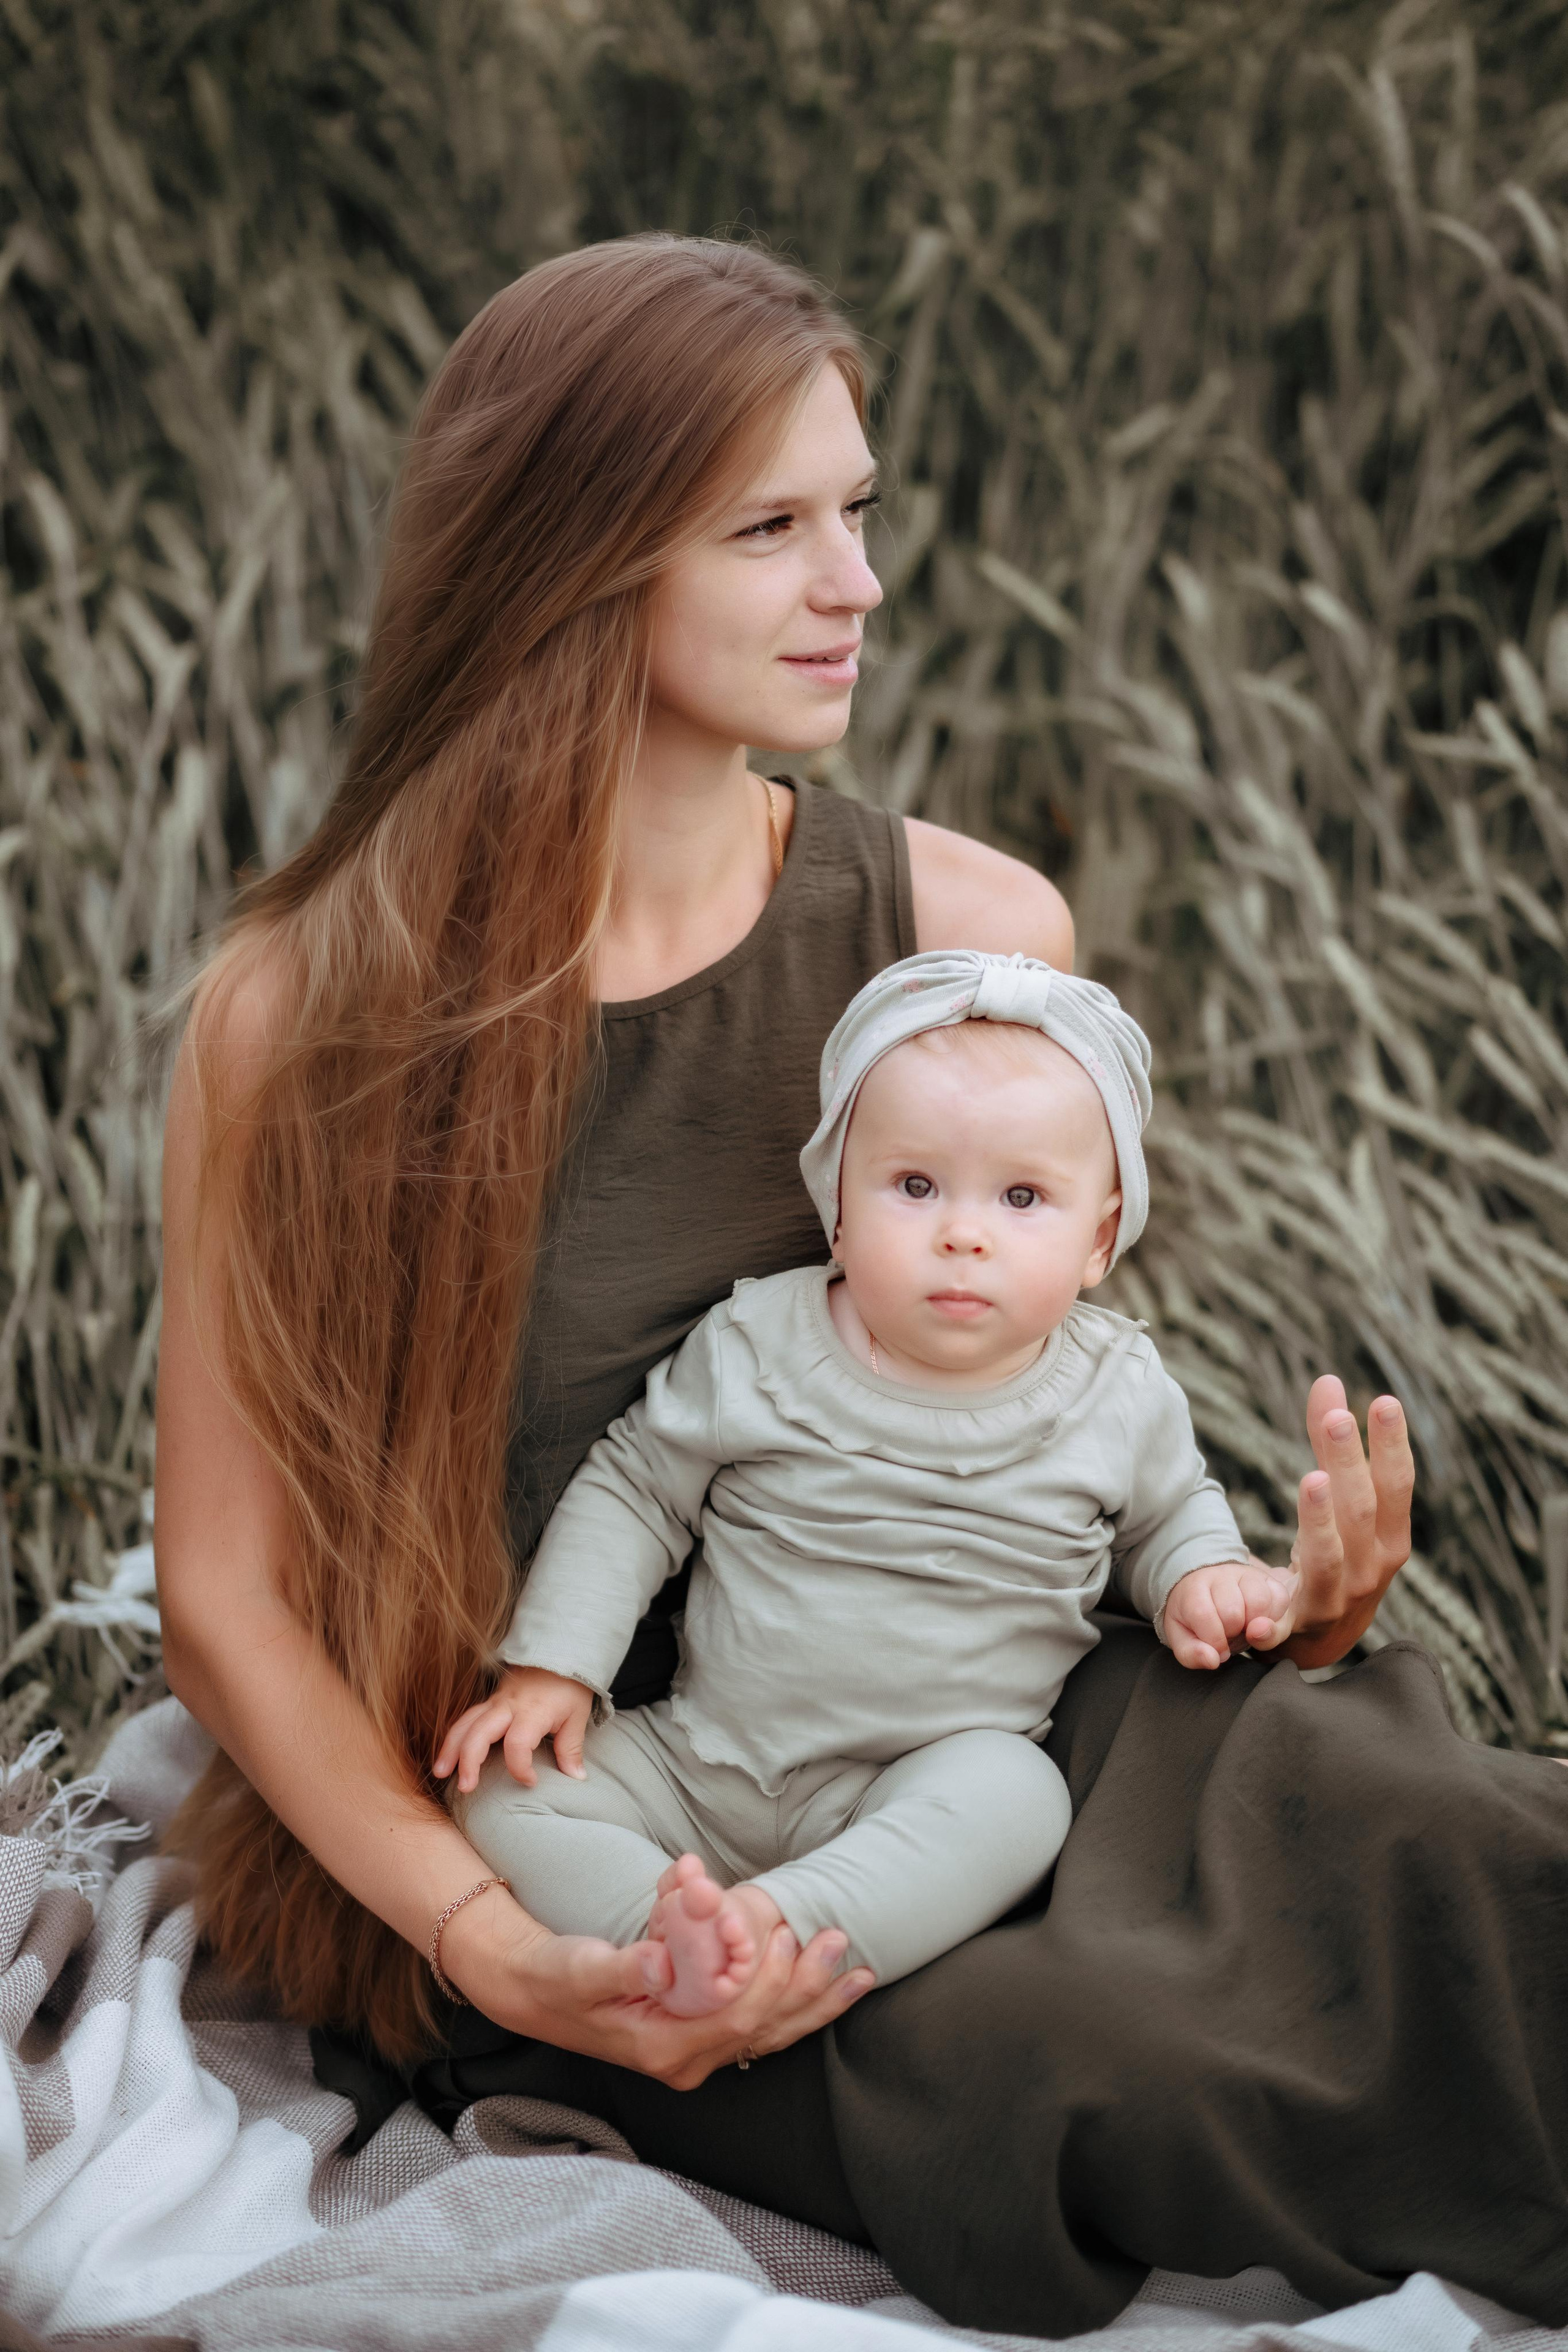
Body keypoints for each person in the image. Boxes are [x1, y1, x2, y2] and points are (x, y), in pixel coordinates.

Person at [154, 233, 1567, 2339]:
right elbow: (228, 1595)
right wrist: (480, 1937)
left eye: (862, 512)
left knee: (1435, 1829)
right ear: (573, 560)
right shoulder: (300, 1012)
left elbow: (1054, 1415)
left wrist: (1274, 1604)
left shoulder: (969, 933)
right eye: (775, 527)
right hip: (622, 1839)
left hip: (1005, 1702)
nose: (861, 583)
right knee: (1106, 2064)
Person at [437, 951, 1299, 2016]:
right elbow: (638, 1489)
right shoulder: (762, 1340)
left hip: (910, 1786)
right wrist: (555, 1667)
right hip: (700, 1759)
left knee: (1018, 1801)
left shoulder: (1115, 1390)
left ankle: (785, 1927)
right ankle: (657, 1937)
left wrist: (1201, 1579)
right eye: (914, 1185)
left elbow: (1168, 1518)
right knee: (502, 1793)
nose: (963, 1231)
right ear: (836, 1205)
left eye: (1024, 1197)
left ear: (1102, 1237)